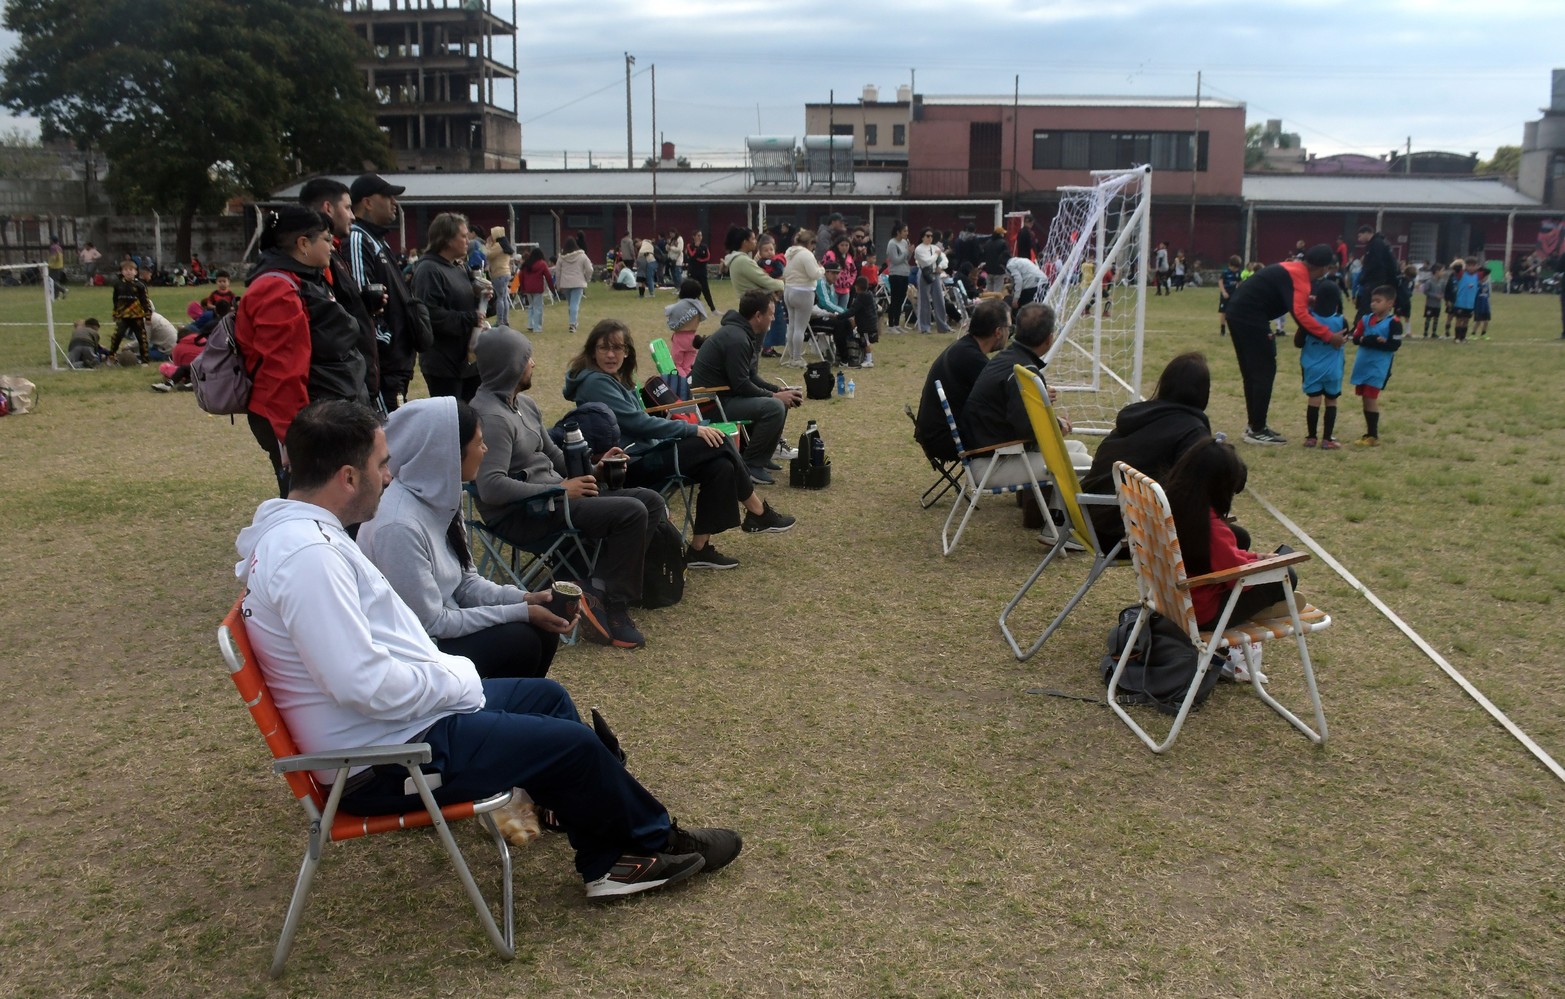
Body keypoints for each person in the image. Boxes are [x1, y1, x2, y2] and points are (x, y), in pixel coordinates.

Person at [236, 399, 741, 898]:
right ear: (348, 477)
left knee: (547, 699)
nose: (389, 477)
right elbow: (361, 683)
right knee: (573, 746)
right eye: (381, 465)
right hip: (386, 763)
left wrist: (463, 664)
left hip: (394, 730)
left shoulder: (304, 538)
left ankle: (594, 820)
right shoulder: (310, 559)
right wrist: (456, 679)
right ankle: (631, 853)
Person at [470, 326, 660, 649]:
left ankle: (595, 589)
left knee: (650, 502)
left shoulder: (524, 404)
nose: (533, 364)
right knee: (631, 511)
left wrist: (597, 470)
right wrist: (560, 490)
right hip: (523, 515)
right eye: (527, 359)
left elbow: (555, 456)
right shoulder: (491, 418)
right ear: (510, 366)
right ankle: (612, 607)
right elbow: (491, 487)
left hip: (554, 499)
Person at [356, 396, 571, 681]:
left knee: (543, 630)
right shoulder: (398, 527)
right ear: (449, 453)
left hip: (442, 627)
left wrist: (526, 599)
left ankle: (514, 702)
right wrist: (521, 612)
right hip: (413, 650)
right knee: (521, 641)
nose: (485, 449)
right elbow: (431, 623)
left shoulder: (441, 496)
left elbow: (465, 583)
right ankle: (486, 705)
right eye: (479, 442)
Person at [562, 321, 795, 570]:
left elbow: (643, 423)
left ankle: (699, 549)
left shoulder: (616, 378)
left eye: (617, 348)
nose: (611, 354)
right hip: (627, 467)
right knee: (717, 442)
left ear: (627, 351)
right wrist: (690, 429)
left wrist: (682, 433)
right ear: (592, 351)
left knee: (719, 465)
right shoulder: (596, 382)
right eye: (604, 348)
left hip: (647, 453)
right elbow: (638, 423)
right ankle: (758, 512)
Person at [235, 205, 370, 496]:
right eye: (326, 239)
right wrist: (294, 440)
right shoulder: (277, 290)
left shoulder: (305, 279)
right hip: (301, 420)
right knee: (314, 498)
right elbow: (282, 372)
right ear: (303, 244)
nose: (332, 247)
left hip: (319, 413)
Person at [1080, 352, 1216, 552]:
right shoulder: (1192, 431)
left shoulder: (1137, 416)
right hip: (1123, 533)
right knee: (1232, 538)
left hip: (1088, 518)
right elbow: (1194, 492)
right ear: (1204, 392)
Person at [1162, 437, 1296, 637]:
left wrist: (1256, 558)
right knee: (1286, 576)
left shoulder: (1170, 505)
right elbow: (1237, 579)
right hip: (1201, 612)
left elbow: (1225, 559)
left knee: (1241, 538)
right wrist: (1266, 566)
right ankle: (1267, 607)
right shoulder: (1211, 529)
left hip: (1168, 598)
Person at [1222, 244, 1344, 446]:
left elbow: (1284, 294)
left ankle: (1255, 425)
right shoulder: (1300, 277)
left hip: (1238, 312)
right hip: (1250, 317)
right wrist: (1329, 336)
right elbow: (1301, 316)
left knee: (1252, 372)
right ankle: (1257, 429)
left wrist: (1306, 300)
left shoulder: (1293, 268)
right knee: (1263, 370)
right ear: (1324, 268)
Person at [961, 302, 1086, 489]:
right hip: (992, 464)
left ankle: (1048, 507)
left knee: (1078, 448)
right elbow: (1029, 429)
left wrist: (1055, 423)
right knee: (1084, 464)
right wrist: (1058, 427)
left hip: (992, 452)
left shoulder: (1008, 358)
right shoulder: (1024, 373)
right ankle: (1056, 509)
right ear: (1049, 338)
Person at [688, 290, 802, 485]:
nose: (773, 318)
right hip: (713, 405)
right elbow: (741, 384)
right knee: (774, 407)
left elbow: (749, 377)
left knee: (779, 402)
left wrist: (777, 391)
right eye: (771, 314)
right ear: (758, 316)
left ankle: (762, 458)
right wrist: (774, 397)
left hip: (724, 397)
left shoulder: (739, 333)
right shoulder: (737, 339)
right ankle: (751, 466)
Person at [300, 176, 381, 409]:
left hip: (352, 382)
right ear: (328, 208)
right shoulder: (313, 265)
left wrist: (362, 303)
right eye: (347, 207)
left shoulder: (332, 255)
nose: (353, 216)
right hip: (337, 390)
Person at [348, 172, 423, 413]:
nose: (394, 202)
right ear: (367, 202)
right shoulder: (357, 238)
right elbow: (362, 299)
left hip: (399, 362)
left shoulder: (379, 240)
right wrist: (385, 340)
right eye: (388, 196)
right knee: (387, 427)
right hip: (384, 364)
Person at [914, 298, 1012, 462]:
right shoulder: (972, 359)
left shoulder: (964, 348)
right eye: (1009, 328)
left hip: (935, 434)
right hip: (947, 440)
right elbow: (1003, 402)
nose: (1010, 334)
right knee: (1023, 431)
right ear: (998, 332)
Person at [412, 212, 485, 402]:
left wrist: (484, 298)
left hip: (466, 361)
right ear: (446, 239)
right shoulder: (429, 270)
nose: (468, 240)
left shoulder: (459, 267)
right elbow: (430, 314)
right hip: (444, 364)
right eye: (463, 236)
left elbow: (467, 305)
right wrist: (470, 318)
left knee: (473, 414)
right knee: (453, 417)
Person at [1294, 279, 1348, 450]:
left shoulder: (1309, 319)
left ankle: (1311, 437)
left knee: (1314, 400)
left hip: (1311, 367)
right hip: (1333, 368)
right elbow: (1343, 341)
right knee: (1331, 401)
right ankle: (1327, 439)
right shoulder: (1341, 321)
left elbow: (1298, 343)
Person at [1348, 284, 1403, 447]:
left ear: (1389, 303)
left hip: (1379, 367)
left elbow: (1394, 345)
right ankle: (1369, 434)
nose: (1373, 304)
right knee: (1365, 399)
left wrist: (1380, 343)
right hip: (1363, 365)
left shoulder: (1394, 322)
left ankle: (1373, 435)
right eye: (1372, 301)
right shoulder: (1365, 319)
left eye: (1378, 301)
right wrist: (1368, 340)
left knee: (1371, 398)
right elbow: (1356, 338)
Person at [781, 231, 824, 368]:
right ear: (810, 243)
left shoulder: (789, 252)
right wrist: (822, 269)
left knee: (792, 326)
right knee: (800, 328)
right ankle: (797, 358)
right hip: (803, 291)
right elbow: (814, 274)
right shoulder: (807, 254)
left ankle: (792, 356)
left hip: (788, 290)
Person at [108, 257, 152, 363]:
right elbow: (115, 300)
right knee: (117, 335)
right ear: (122, 272)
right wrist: (115, 313)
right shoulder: (118, 285)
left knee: (141, 338)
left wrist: (148, 316)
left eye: (131, 270)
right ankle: (111, 356)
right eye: (126, 270)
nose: (128, 272)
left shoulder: (140, 285)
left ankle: (145, 359)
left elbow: (145, 301)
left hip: (137, 316)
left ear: (136, 272)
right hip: (123, 316)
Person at [721, 225, 783, 301]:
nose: (756, 241)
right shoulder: (742, 260)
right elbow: (765, 281)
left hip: (750, 302)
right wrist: (782, 283)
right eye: (753, 239)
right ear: (745, 242)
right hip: (756, 303)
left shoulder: (737, 259)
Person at [1354, 224, 1399, 322]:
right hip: (1381, 280)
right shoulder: (1381, 242)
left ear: (1367, 233)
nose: (1359, 239)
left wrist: (1364, 277)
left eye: (1360, 236)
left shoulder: (1376, 244)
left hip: (1376, 281)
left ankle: (1360, 325)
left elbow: (1375, 263)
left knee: (1368, 305)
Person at [664, 278, 708, 375]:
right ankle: (689, 381)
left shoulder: (679, 307)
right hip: (693, 337)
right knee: (688, 366)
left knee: (677, 365)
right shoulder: (698, 307)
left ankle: (682, 381)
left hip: (680, 338)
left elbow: (671, 317)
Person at [913, 228, 951, 335]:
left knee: (939, 299)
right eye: (927, 236)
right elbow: (926, 262)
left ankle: (943, 326)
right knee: (924, 301)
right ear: (922, 237)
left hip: (936, 273)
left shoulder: (935, 247)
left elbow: (945, 260)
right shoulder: (919, 249)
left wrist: (940, 266)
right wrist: (936, 255)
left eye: (931, 236)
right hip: (925, 274)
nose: (930, 238)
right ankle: (925, 327)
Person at [555, 237, 594, 334]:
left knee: (571, 304)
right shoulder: (582, 256)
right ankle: (572, 324)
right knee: (575, 304)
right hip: (578, 282)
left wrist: (558, 284)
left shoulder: (561, 257)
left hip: (566, 283)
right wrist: (587, 278)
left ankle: (573, 322)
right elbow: (590, 269)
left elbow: (557, 272)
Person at [515, 247, 554, 335]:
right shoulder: (542, 264)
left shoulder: (526, 264)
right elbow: (548, 276)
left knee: (531, 306)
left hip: (528, 289)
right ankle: (537, 328)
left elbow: (520, 276)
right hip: (537, 289)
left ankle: (530, 324)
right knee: (538, 308)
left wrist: (522, 288)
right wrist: (552, 289)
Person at [483, 227, 515, 329]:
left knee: (500, 298)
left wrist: (487, 245)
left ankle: (500, 322)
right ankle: (505, 320)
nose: (491, 237)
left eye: (492, 234)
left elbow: (486, 254)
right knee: (504, 298)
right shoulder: (505, 245)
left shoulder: (498, 246)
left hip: (499, 274)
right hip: (506, 273)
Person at [845, 276, 878, 368]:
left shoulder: (861, 297)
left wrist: (841, 316)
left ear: (857, 287)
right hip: (869, 323)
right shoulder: (869, 295)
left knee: (866, 342)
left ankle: (869, 360)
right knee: (865, 341)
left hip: (866, 325)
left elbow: (853, 310)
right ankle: (867, 358)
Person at [884, 221, 911, 333]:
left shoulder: (905, 242)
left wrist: (909, 252)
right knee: (895, 299)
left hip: (904, 273)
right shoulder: (892, 243)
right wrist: (906, 252)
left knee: (901, 300)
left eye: (907, 231)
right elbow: (895, 260)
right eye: (904, 231)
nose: (906, 233)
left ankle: (897, 323)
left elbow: (906, 259)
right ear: (898, 232)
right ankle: (891, 325)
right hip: (895, 274)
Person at [822, 235, 856, 309]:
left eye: (846, 245)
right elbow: (824, 268)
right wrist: (830, 282)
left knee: (842, 311)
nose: (844, 247)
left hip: (845, 289)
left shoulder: (849, 257)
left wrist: (850, 282)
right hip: (833, 288)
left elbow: (853, 271)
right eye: (842, 245)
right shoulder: (830, 255)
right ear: (837, 245)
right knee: (832, 309)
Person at [686, 229, 715, 310]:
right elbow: (692, 256)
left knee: (706, 290)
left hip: (702, 271)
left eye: (701, 235)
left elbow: (707, 257)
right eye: (698, 235)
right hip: (693, 272)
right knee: (692, 290)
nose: (700, 237)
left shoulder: (704, 246)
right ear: (694, 237)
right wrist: (696, 247)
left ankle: (713, 309)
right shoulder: (689, 246)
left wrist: (699, 260)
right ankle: (693, 308)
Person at [1417, 262, 1446, 338]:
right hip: (1430, 304)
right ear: (1437, 272)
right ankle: (1425, 332)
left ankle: (1434, 332)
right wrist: (1434, 295)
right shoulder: (1429, 281)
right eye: (1442, 271)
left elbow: (1444, 290)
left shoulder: (1442, 282)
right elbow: (1425, 291)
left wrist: (1443, 295)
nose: (1443, 273)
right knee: (1428, 318)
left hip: (1438, 304)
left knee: (1436, 318)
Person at [1218, 254, 1243, 337]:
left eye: (1237, 268)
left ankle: (1235, 329)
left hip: (1234, 295)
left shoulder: (1239, 272)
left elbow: (1240, 282)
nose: (1235, 269)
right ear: (1230, 265)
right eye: (1234, 268)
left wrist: (1239, 289)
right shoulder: (1225, 272)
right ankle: (1222, 329)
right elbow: (1220, 282)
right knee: (1223, 312)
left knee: (1235, 312)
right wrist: (1223, 292)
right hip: (1225, 295)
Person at [1472, 265, 1493, 340]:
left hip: (1485, 306)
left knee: (1486, 320)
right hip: (1478, 305)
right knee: (1478, 321)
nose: (1487, 278)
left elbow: (1487, 295)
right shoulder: (1477, 284)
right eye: (1486, 276)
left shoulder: (1486, 285)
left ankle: (1483, 334)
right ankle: (1473, 334)